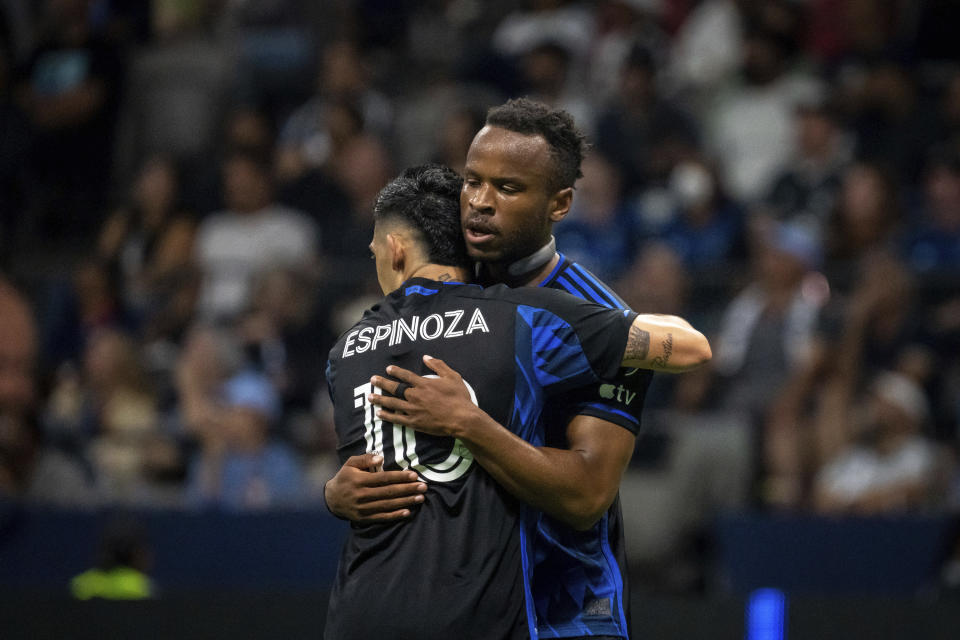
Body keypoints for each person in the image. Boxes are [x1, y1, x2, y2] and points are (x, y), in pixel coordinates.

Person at [327, 98, 711, 639]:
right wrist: (339, 494)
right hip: (470, 612)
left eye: (507, 188)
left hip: (564, 612)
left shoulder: (590, 317)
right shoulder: (448, 295)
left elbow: (585, 497)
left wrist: (470, 423)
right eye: (472, 181)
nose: (479, 203)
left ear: (560, 204)